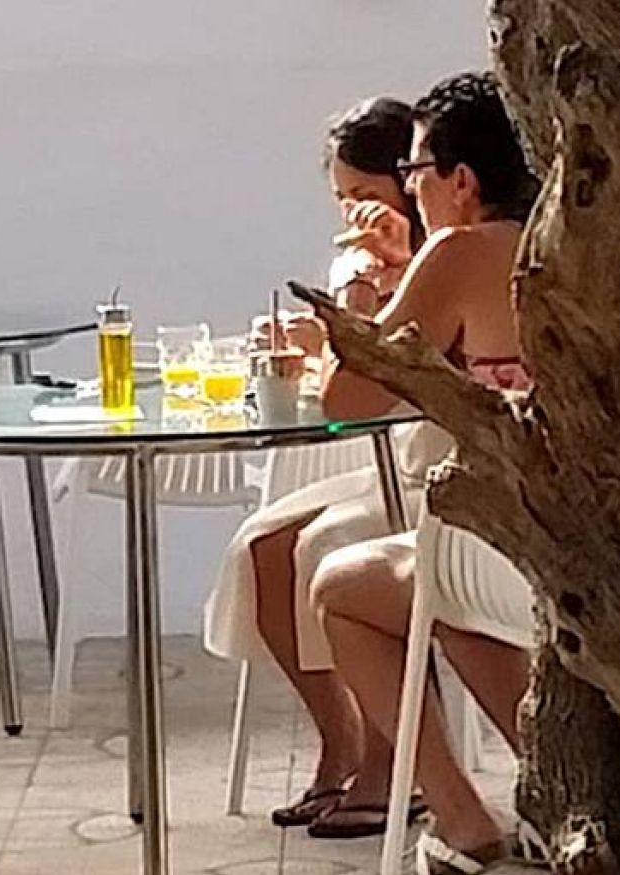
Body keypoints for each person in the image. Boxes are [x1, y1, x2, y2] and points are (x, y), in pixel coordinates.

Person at [311, 71, 539, 874]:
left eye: (414, 171)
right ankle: (551, 784)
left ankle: (464, 816)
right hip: (608, 542)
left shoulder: (463, 252)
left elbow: (346, 399)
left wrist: (361, 286)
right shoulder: (575, 243)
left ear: (462, 179)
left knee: (344, 586)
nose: (412, 189)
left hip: (511, 552)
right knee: (439, 594)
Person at [206, 95, 437, 838]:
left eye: (365, 193)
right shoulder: (387, 261)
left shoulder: (440, 257)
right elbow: (354, 369)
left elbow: (374, 372)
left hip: (439, 469)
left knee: (322, 547)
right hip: (388, 459)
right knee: (263, 548)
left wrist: (359, 289)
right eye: (341, 198)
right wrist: (316, 338)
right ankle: (341, 737)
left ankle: (392, 762)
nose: (352, 212)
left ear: (409, 182)